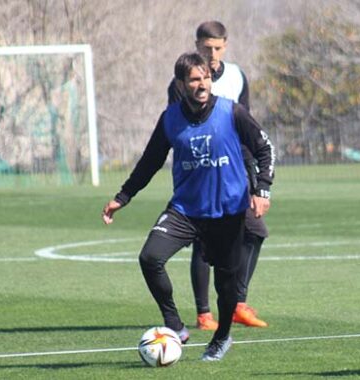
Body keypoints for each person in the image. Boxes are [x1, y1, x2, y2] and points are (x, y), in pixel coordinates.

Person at [102, 52, 274, 361]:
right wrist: (123, 197)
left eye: (206, 77)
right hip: (185, 210)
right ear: (181, 84)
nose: (202, 83)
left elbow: (265, 148)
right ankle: (174, 325)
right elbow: (150, 162)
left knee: (226, 285)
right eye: (195, 79)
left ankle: (221, 338)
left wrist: (262, 190)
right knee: (150, 257)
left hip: (228, 212)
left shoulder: (231, 112)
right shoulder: (170, 119)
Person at [168, 20, 272, 330]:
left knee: (255, 231)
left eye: (217, 47)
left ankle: (238, 303)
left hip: (237, 169)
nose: (212, 53)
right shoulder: (183, 82)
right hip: (202, 171)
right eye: (206, 48)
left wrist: (254, 175)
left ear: (225, 45)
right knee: (204, 240)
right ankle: (204, 314)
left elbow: (247, 126)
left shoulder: (238, 76)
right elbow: (178, 126)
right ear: (197, 46)